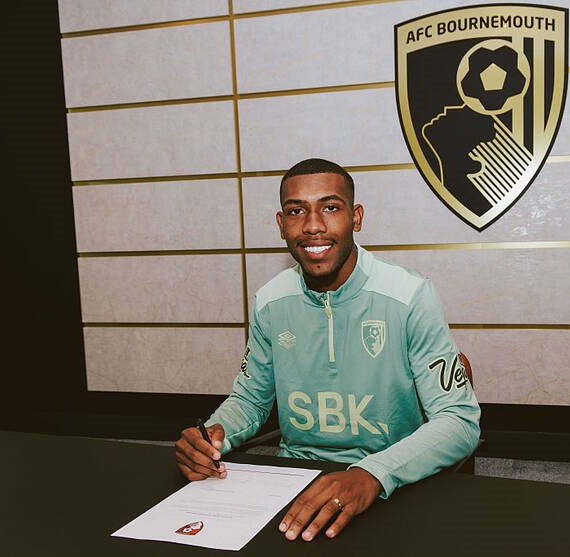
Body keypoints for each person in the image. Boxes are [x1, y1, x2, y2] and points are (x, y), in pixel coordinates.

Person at [174, 158, 481, 541]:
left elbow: (459, 421)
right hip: (295, 482)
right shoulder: (270, 301)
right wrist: (214, 435)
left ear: (356, 217)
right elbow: (250, 401)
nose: (313, 225)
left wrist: (371, 474)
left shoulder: (410, 294)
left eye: (331, 207)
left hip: (389, 479)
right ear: (281, 224)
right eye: (296, 211)